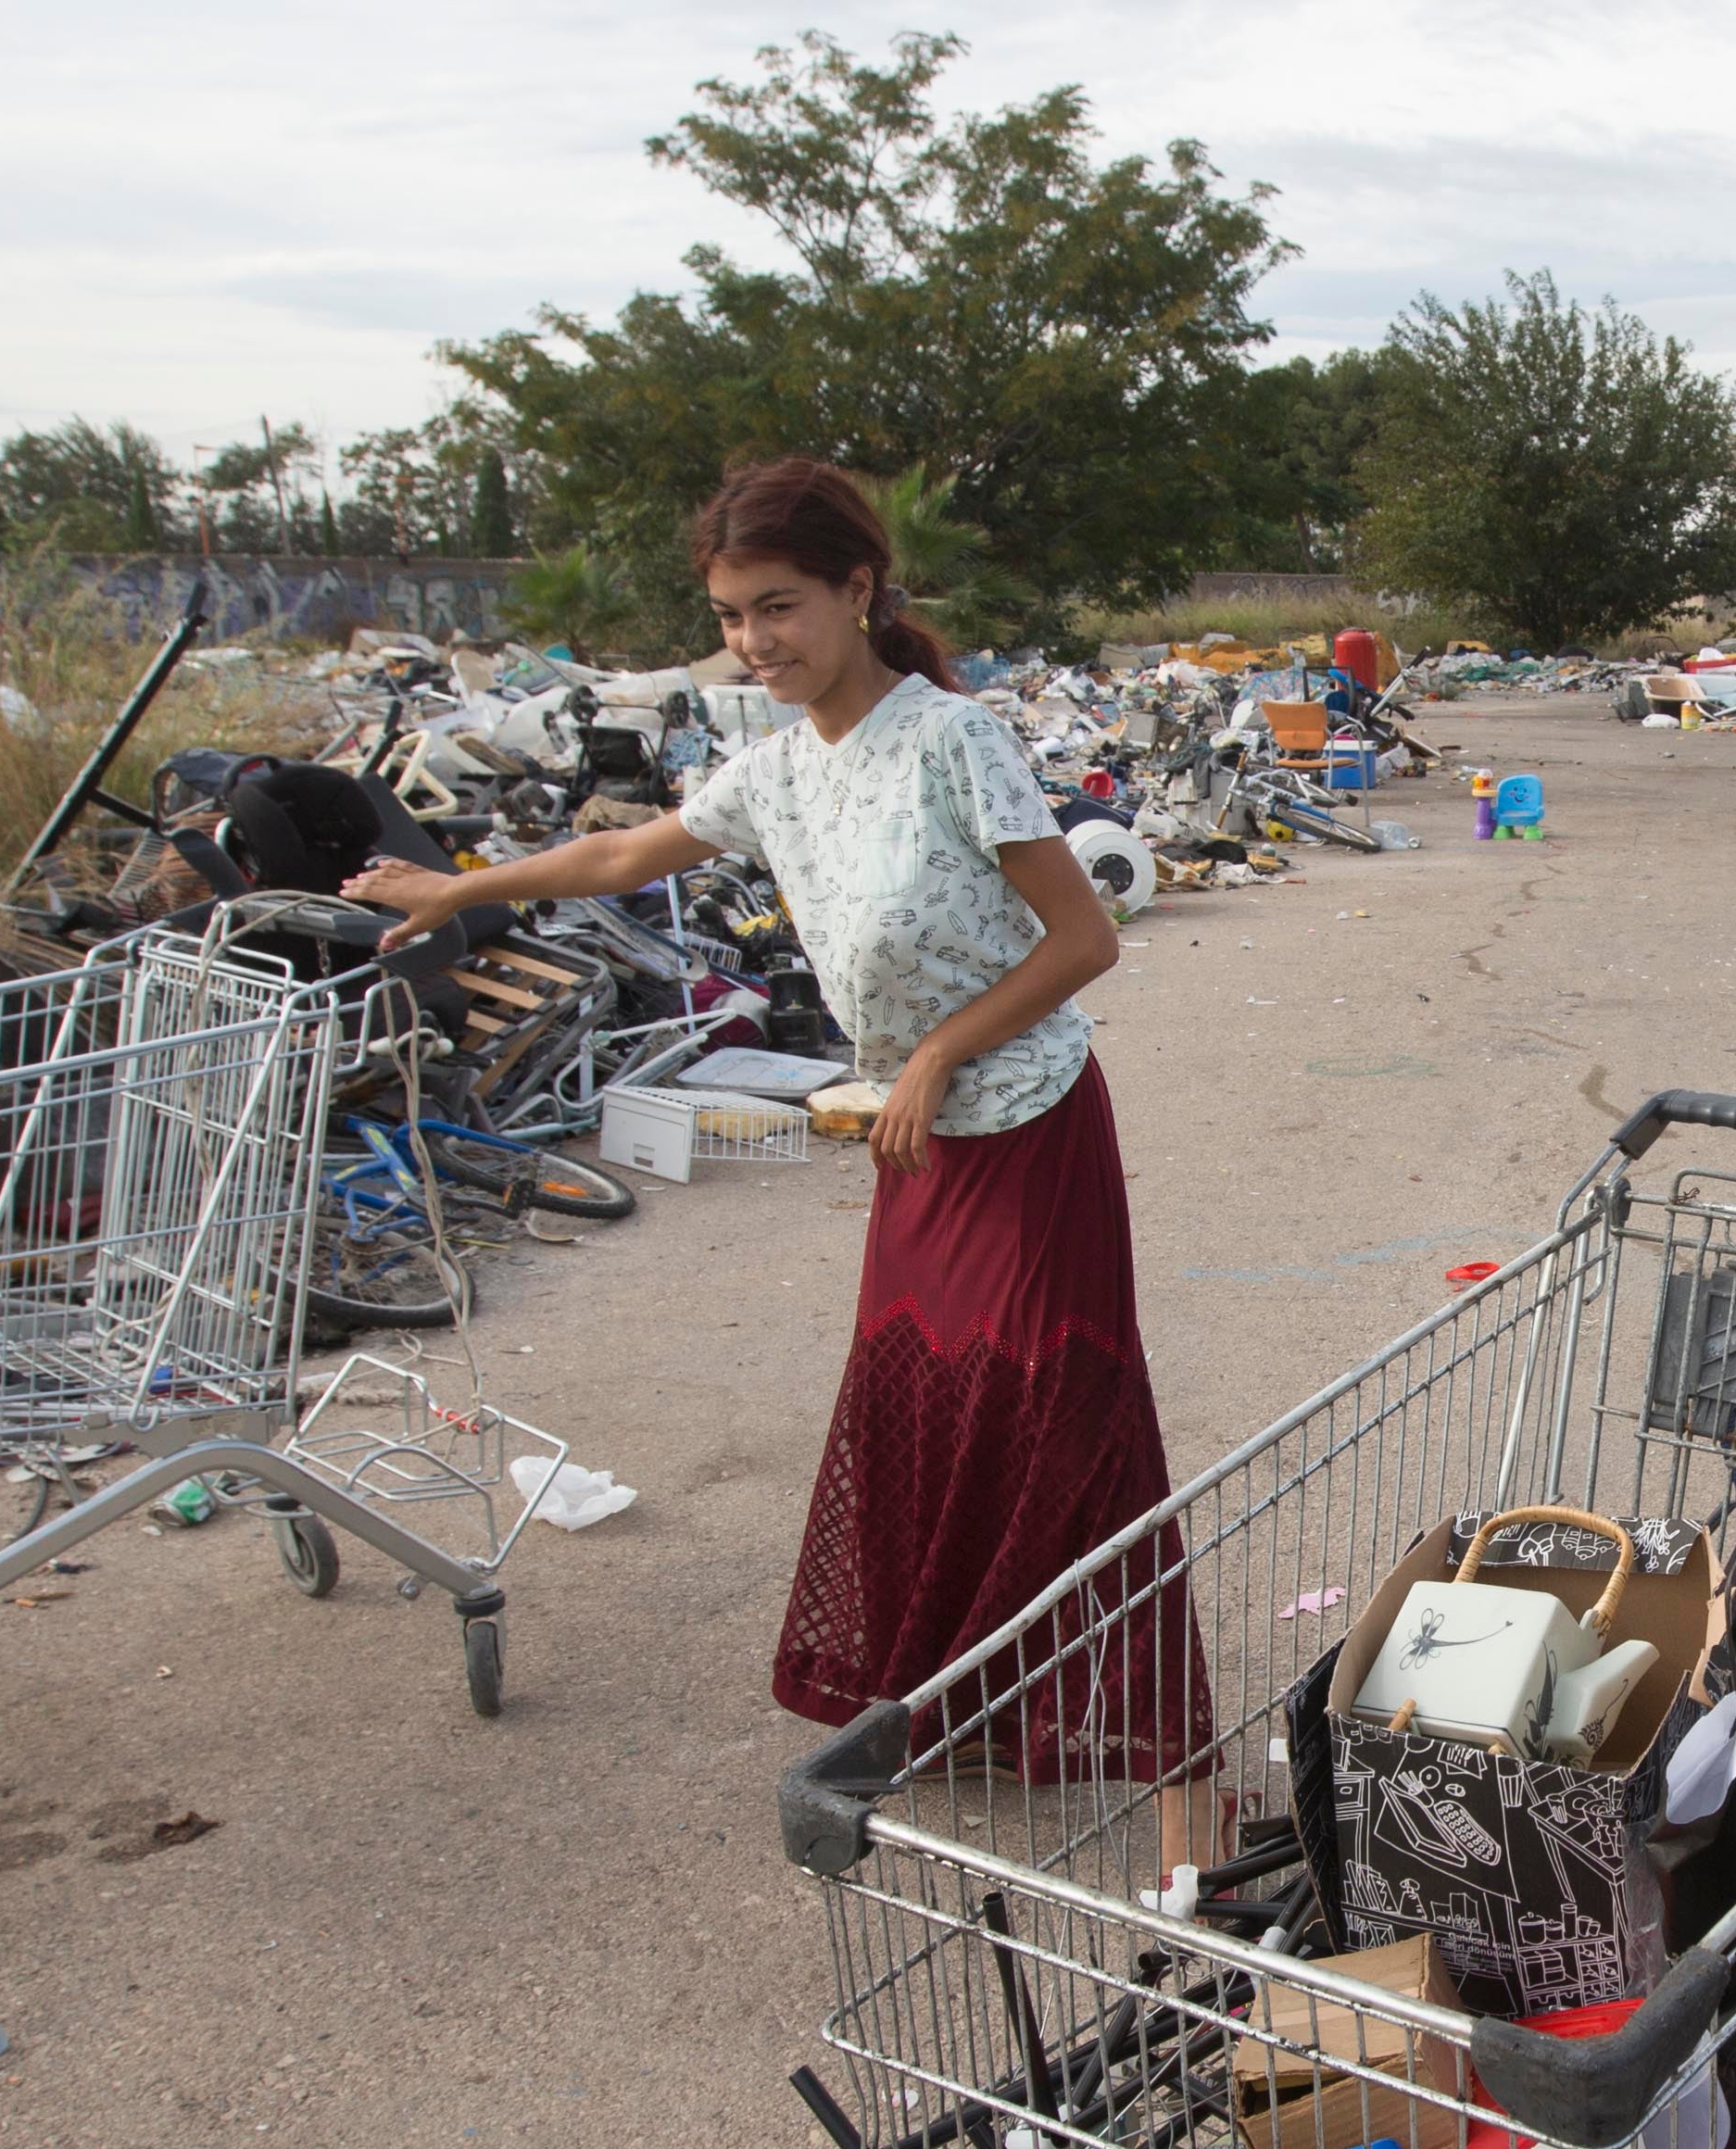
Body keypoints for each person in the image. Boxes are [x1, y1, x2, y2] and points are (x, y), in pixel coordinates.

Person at [349, 455, 1213, 1808]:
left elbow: (1083, 937)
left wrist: (933, 1052)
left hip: (1028, 1123)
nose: (756, 643)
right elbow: (617, 858)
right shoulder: (772, 770)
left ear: (857, 590)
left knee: (1042, 1406)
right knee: (918, 1392)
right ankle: (956, 1698)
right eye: (734, 616)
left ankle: (1141, 1735)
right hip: (917, 1143)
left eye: (780, 606)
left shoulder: (950, 739)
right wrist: (454, 886)